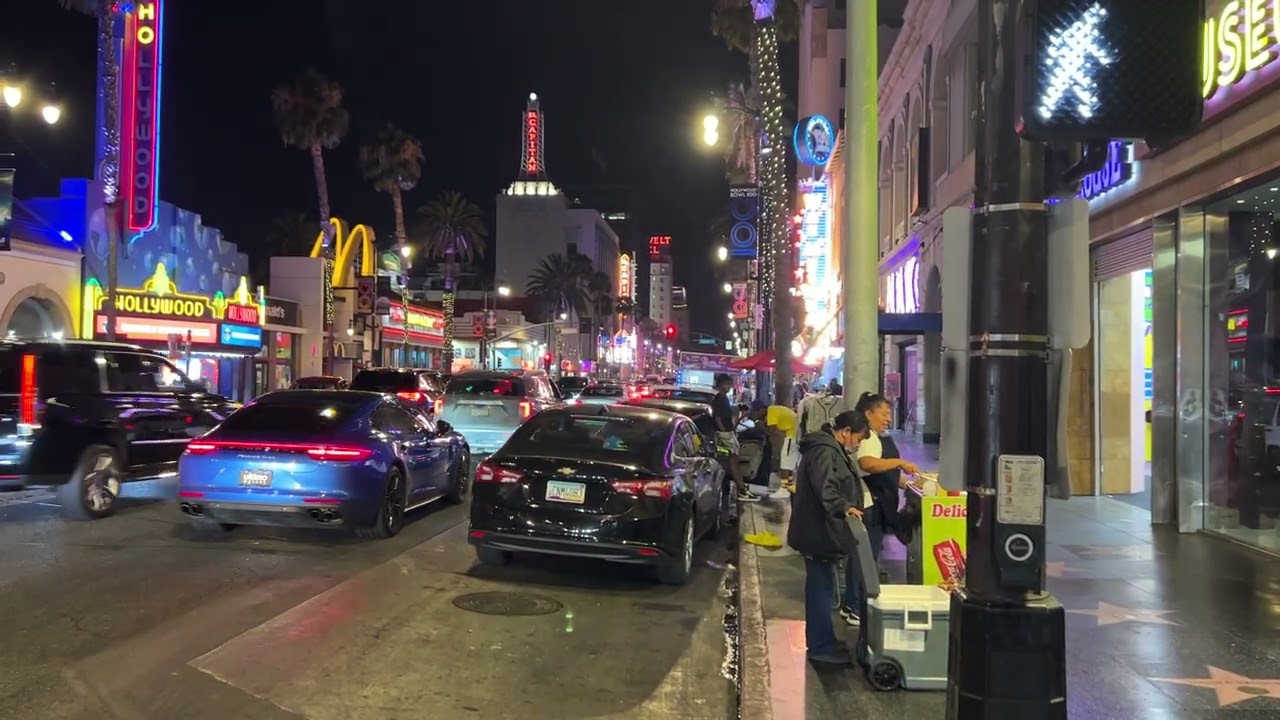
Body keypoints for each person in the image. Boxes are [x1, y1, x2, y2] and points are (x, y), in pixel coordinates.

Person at [786, 410, 871, 665]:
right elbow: (825, 487)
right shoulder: (825, 451)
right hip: (818, 532)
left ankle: (825, 640)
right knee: (820, 590)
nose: (858, 444)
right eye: (858, 438)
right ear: (846, 432)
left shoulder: (829, 448)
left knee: (823, 587)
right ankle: (820, 647)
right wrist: (844, 506)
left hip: (820, 531)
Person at [839, 391, 921, 627]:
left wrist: (906, 483)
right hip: (870, 505)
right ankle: (856, 607)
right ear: (868, 414)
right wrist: (900, 462)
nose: (888, 418)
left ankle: (851, 604)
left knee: (862, 555)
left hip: (876, 503)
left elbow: (885, 471)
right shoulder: (869, 438)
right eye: (883, 414)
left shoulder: (878, 437)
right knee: (865, 556)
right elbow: (869, 464)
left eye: (889, 414)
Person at [712, 373, 759, 502]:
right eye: (727, 384)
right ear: (721, 384)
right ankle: (741, 488)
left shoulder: (722, 398)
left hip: (727, 432)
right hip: (725, 433)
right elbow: (718, 418)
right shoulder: (719, 399)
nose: (729, 387)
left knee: (732, 460)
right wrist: (724, 432)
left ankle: (740, 487)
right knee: (733, 460)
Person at [748, 400, 799, 487]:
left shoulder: (771, 411)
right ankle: (789, 485)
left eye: (755, 412)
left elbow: (771, 432)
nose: (754, 414)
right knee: (789, 462)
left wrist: (759, 425)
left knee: (785, 463)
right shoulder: (772, 410)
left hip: (792, 435)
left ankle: (784, 488)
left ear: (761, 410)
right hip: (794, 434)